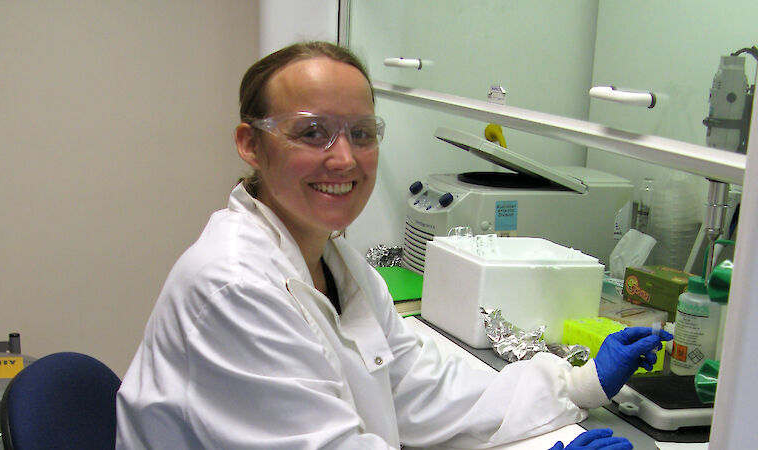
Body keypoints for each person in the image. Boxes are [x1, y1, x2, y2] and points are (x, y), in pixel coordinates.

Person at [115, 41, 671, 449]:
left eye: (361, 132)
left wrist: (580, 381)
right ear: (250, 144)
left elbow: (419, 388)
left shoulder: (336, 263)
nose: (344, 158)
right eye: (312, 132)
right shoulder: (232, 287)